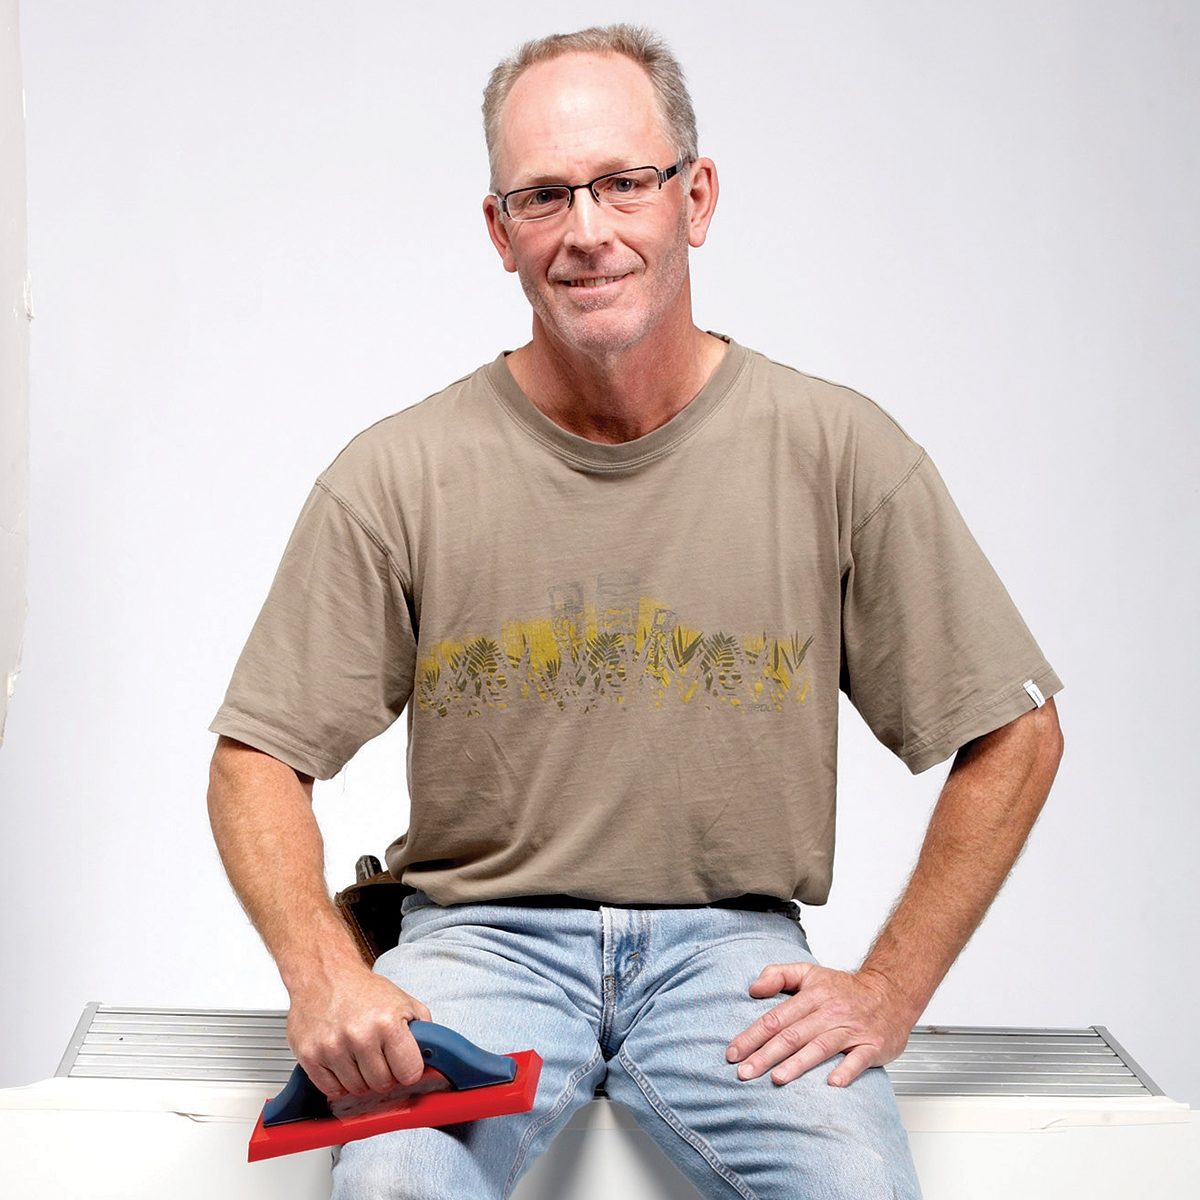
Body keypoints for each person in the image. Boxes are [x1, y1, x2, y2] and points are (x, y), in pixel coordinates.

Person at [206, 23, 1063, 1200]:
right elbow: (254, 759)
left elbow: (1017, 732)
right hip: (477, 942)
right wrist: (324, 977)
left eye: (623, 182)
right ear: (500, 232)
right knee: (393, 1181)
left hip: (732, 955)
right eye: (546, 196)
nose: (589, 229)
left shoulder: (836, 453)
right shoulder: (398, 474)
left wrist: (891, 987)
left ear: (695, 198)